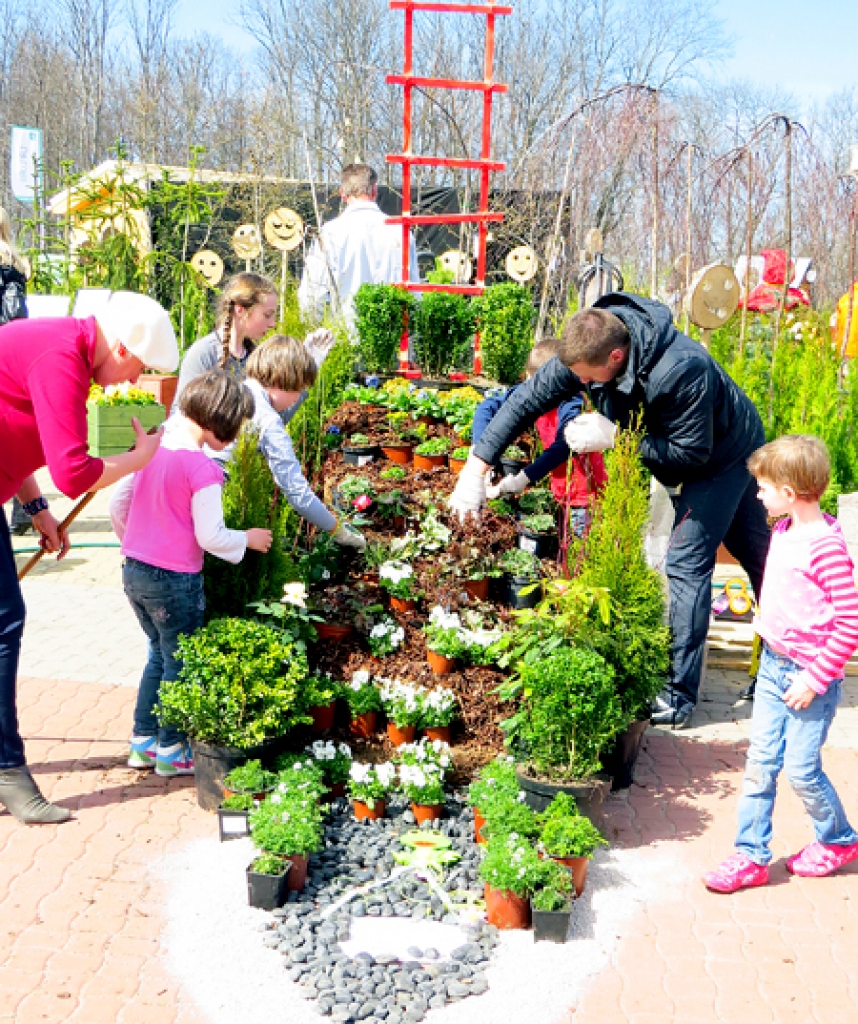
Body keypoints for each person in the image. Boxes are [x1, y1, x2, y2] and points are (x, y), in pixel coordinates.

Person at [450, 294, 771, 729]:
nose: (579, 384)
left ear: (615, 357)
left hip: (722, 455)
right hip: (686, 445)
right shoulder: (587, 345)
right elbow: (525, 400)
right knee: (757, 554)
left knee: (688, 560)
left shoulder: (681, 368)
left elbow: (690, 455)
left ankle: (677, 696)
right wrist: (476, 466)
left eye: (585, 378)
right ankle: (779, 656)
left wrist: (617, 437)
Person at [0, 291, 179, 823]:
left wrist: (36, 508)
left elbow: (12, 422)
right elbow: (74, 473)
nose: (132, 380)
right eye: (138, 366)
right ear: (120, 344)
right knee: (5, 622)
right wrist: (137, 458)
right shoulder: (60, 357)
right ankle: (8, 772)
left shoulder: (62, 347)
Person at [703, 436, 858, 892]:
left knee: (801, 769)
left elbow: (850, 624)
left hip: (809, 679)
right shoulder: (784, 530)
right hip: (773, 669)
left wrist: (814, 678)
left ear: (789, 491)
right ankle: (750, 855)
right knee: (760, 763)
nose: (757, 494)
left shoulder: (827, 548)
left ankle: (838, 839)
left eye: (764, 488)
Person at [110, 371, 272, 777]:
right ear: (219, 420)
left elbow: (119, 504)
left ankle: (143, 743)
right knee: (180, 660)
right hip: (175, 580)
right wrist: (249, 539)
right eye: (232, 430)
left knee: (156, 656)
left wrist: (136, 543)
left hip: (134, 571)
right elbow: (211, 535)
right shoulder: (203, 470)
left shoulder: (151, 450)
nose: (233, 441)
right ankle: (172, 749)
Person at [229, 336, 366, 548]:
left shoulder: (242, 391)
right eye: (299, 388)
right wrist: (338, 530)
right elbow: (297, 493)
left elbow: (282, 408)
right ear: (283, 380)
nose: (299, 397)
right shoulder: (267, 420)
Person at [473, 338, 607, 535]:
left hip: (584, 493)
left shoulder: (570, 399)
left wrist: (523, 478)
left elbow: (565, 444)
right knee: (561, 545)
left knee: (580, 551)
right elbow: (488, 407)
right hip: (559, 487)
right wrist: (478, 454)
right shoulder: (531, 391)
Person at [298, 163, 419, 325]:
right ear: (375, 190)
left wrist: (316, 334)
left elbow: (311, 296)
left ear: (342, 193)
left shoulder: (330, 234)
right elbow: (415, 293)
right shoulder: (400, 232)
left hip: (344, 338)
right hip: (392, 339)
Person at [176, 272, 278, 398]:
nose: (272, 323)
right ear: (240, 310)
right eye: (267, 315)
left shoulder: (255, 358)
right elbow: (180, 411)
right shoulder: (205, 354)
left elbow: (272, 415)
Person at [0, 208, 33, 536]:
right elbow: (16, 314)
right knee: (12, 433)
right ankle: (23, 512)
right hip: (9, 356)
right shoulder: (13, 265)